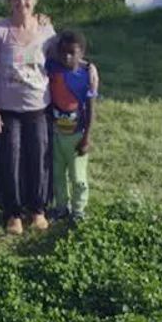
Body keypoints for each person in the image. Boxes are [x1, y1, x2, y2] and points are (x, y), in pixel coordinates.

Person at [0, 0, 56, 235]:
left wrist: (88, 67)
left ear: (34, 1)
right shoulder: (0, 32)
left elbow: (60, 63)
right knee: (9, 158)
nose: (21, 2)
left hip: (38, 107)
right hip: (7, 110)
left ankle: (38, 210)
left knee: (39, 156)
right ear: (8, 2)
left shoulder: (47, 30)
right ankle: (13, 213)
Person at [46, 30, 98, 223]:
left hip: (77, 137)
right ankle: (61, 208)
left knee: (78, 177)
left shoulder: (86, 76)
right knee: (57, 174)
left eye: (72, 53)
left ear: (81, 53)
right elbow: (28, 56)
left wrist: (87, 137)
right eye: (63, 52)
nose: (66, 56)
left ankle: (78, 210)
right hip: (56, 135)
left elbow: (92, 107)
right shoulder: (52, 68)